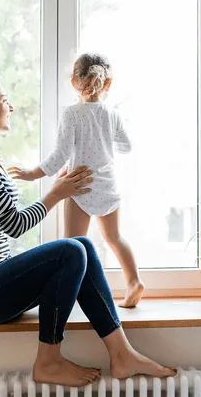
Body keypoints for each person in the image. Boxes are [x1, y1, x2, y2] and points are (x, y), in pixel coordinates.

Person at [0, 75, 176, 387]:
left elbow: (4, 218)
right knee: (70, 250)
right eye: (4, 100)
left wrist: (57, 188)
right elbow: (15, 224)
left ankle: (122, 354)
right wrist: (56, 194)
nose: (11, 107)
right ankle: (49, 360)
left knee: (81, 245)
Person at [9, 53, 144, 308]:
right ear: (108, 84)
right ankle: (134, 281)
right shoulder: (112, 114)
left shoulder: (71, 114)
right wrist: (103, 140)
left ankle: (73, 296)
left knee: (72, 246)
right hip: (108, 185)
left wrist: (31, 174)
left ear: (74, 82)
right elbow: (126, 146)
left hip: (79, 185)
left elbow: (59, 156)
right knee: (114, 237)